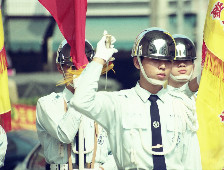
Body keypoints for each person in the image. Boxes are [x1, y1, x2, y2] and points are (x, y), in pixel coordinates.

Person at [69, 28, 202, 169]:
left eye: (168, 61)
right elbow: (81, 100)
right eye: (155, 59)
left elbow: (191, 160)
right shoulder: (119, 103)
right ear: (137, 62)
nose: (162, 66)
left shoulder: (182, 106)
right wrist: (99, 59)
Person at [36, 39, 117, 170]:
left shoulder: (104, 103)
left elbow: (120, 149)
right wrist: (81, 95)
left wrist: (104, 168)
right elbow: (65, 134)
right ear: (60, 67)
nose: (77, 72)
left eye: (84, 67)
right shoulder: (47, 103)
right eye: (72, 67)